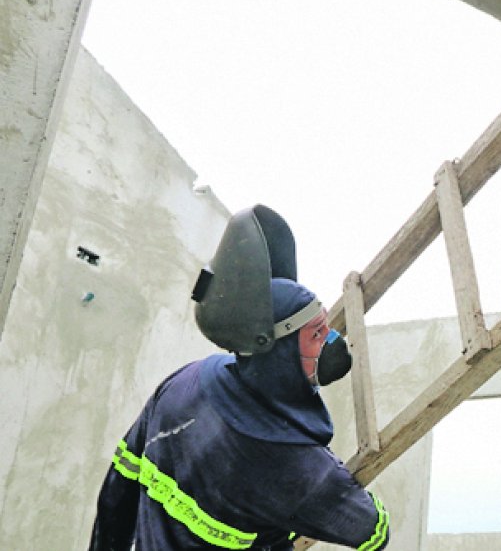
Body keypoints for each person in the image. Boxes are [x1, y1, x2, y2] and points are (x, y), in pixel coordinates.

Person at [90, 206, 390, 550]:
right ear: (277, 348)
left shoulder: (184, 383)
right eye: (317, 334)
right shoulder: (297, 465)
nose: (332, 343)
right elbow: (375, 531)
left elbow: (118, 489)